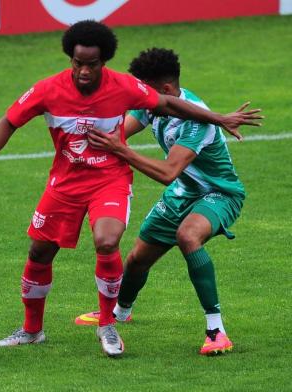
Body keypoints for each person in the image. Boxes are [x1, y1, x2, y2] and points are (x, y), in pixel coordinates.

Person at [0, 21, 262, 358]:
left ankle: (201, 328)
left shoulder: (161, 105)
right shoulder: (52, 89)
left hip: (181, 189)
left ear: (104, 62)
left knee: (144, 239)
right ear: (70, 59)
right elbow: (14, 120)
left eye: (92, 64)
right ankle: (61, 324)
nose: (84, 70)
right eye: (78, 63)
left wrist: (217, 118)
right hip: (83, 185)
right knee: (117, 258)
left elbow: (164, 152)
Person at [79, 48, 262, 355]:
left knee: (188, 236)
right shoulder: (152, 105)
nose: (139, 96)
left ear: (164, 90)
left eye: (144, 89)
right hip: (183, 192)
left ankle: (216, 330)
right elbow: (120, 130)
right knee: (137, 258)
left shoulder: (196, 122)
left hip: (219, 193)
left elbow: (167, 172)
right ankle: (120, 312)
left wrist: (120, 150)